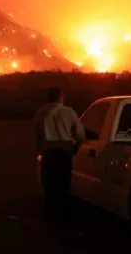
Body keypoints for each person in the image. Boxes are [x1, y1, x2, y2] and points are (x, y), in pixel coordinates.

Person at [33, 86, 84, 224]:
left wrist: (38, 152)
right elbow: (79, 133)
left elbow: (38, 135)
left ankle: (49, 216)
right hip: (64, 153)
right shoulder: (68, 112)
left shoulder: (40, 112)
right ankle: (62, 217)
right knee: (63, 185)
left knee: (49, 185)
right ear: (60, 96)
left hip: (48, 153)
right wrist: (76, 147)